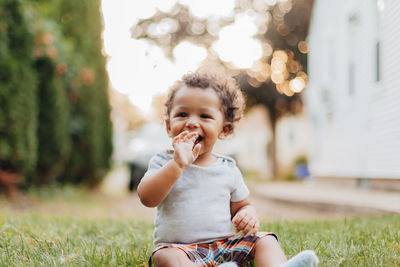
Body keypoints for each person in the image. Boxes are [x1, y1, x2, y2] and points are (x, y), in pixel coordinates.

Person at [137, 71, 319, 267]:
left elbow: (242, 206)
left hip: (224, 246)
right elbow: (148, 197)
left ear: (224, 129)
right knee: (165, 257)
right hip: (180, 249)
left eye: (205, 116)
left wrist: (247, 214)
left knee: (266, 240)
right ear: (168, 125)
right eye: (182, 114)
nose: (191, 122)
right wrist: (177, 164)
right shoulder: (164, 162)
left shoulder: (228, 168)